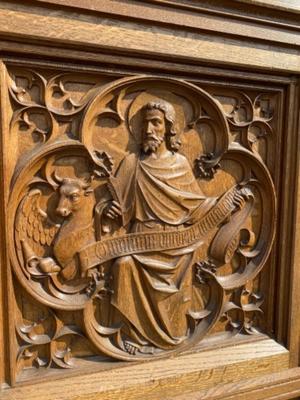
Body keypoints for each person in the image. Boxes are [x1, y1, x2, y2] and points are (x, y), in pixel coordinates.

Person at [101, 99, 217, 355]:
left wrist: (223, 205)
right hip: (140, 241)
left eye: (156, 122)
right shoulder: (133, 163)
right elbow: (118, 210)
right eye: (145, 124)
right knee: (122, 265)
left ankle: (173, 335)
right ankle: (138, 335)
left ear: (169, 128)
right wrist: (108, 211)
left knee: (176, 290)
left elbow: (195, 207)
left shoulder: (180, 165)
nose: (149, 129)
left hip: (175, 246)